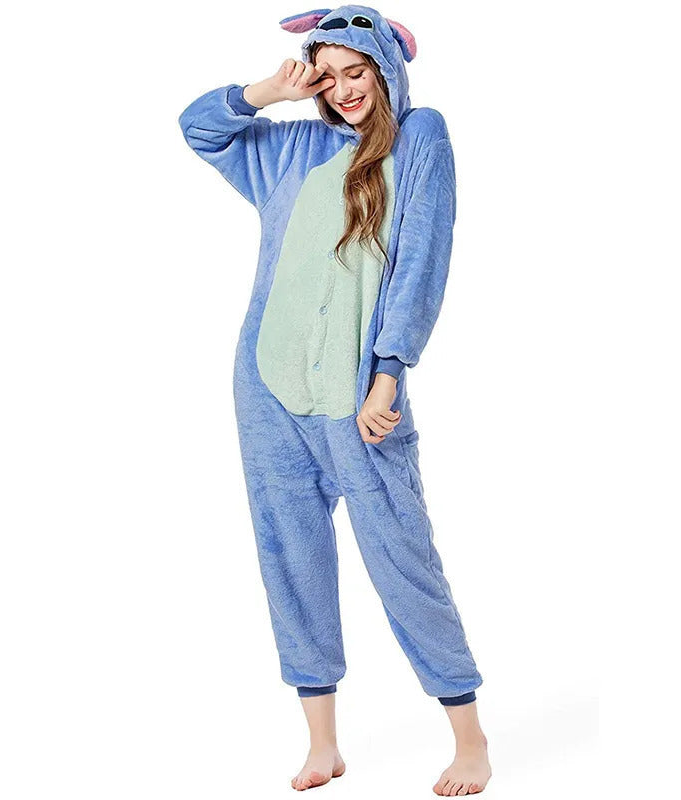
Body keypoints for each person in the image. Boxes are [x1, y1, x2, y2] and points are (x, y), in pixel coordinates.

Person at [178, 5, 491, 795]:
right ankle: (323, 744)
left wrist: (390, 370)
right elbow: (197, 128)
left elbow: (422, 257)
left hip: (358, 398)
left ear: (385, 70)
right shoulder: (292, 147)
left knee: (402, 559)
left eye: (357, 72)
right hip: (268, 388)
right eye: (328, 76)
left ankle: (470, 738)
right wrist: (269, 91)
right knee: (291, 560)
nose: (344, 89)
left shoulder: (421, 137)